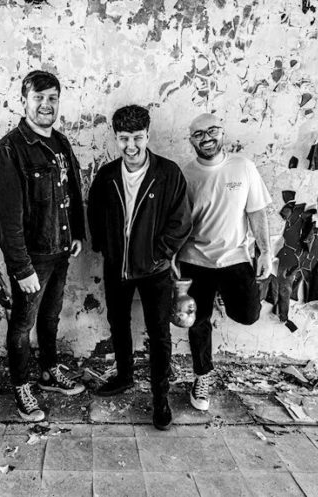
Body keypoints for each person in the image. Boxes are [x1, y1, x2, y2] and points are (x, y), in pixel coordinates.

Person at [88, 105, 191, 430]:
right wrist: (105, 246)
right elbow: (94, 212)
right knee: (118, 323)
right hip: (117, 267)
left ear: (147, 135)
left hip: (155, 270)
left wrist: (159, 253)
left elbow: (181, 221)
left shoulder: (168, 173)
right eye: (123, 138)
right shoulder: (106, 175)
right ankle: (124, 376)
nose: (130, 146)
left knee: (159, 334)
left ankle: (160, 398)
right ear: (116, 138)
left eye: (136, 137)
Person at [0, 70, 86, 422]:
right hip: (32, 258)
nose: (46, 105)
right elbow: (6, 217)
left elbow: (72, 190)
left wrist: (77, 233)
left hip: (60, 250)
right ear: (23, 102)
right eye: (38, 98)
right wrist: (21, 267)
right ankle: (21, 385)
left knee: (50, 316)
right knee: (22, 323)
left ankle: (48, 372)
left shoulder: (60, 141)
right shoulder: (10, 148)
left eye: (52, 98)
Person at [178, 113, 272, 411]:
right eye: (198, 134)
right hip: (196, 260)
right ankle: (202, 377)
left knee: (248, 315)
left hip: (235, 258)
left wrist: (265, 251)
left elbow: (256, 211)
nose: (206, 138)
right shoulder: (186, 174)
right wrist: (173, 259)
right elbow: (179, 223)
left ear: (222, 133)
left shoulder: (243, 167)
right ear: (191, 140)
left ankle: (223, 297)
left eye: (212, 131)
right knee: (198, 323)